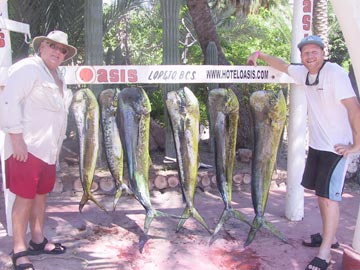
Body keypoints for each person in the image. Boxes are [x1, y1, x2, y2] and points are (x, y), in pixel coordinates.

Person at [247, 35, 360, 270]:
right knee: (321, 195)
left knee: (330, 200)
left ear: (322, 53)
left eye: (314, 52)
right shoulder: (306, 74)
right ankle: (330, 237)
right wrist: (260, 54)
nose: (310, 56)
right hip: (318, 146)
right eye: (305, 53)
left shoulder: (335, 73)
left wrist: (356, 145)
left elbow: (354, 108)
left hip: (335, 148)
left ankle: (325, 253)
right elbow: (282, 65)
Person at [0, 30, 77, 270]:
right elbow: (8, 100)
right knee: (23, 198)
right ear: (41, 46)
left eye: (62, 49)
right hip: (27, 147)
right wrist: (16, 138)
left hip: (48, 150)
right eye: (52, 46)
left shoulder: (57, 76)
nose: (57, 51)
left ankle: (37, 239)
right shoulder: (28, 68)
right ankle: (20, 249)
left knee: (41, 195)